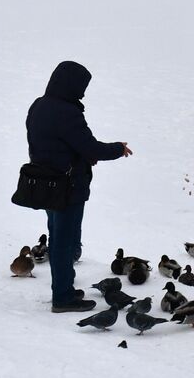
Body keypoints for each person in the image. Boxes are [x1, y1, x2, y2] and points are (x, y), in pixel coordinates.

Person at [26, 61, 133, 313]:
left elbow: (49, 142)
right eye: (81, 86)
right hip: (67, 186)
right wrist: (118, 148)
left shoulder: (38, 105)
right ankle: (63, 298)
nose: (83, 93)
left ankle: (65, 287)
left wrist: (77, 155)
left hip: (46, 183)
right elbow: (91, 147)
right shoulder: (67, 112)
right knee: (64, 243)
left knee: (58, 237)